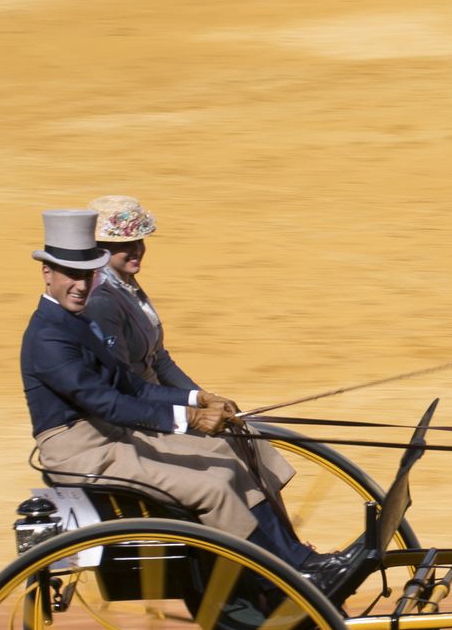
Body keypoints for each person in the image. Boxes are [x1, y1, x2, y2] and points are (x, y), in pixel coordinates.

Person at [20, 208, 324, 577]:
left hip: (112, 436)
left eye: (86, 275)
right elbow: (108, 402)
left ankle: (295, 560)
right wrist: (190, 418)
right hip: (84, 456)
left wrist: (197, 398)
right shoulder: (48, 337)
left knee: (227, 456)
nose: (81, 285)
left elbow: (131, 384)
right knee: (210, 487)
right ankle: (278, 582)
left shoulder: (77, 322)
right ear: (47, 272)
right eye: (71, 275)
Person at [81, 195, 295, 495]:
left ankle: (278, 536)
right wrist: (191, 408)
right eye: (123, 245)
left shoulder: (126, 286)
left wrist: (204, 397)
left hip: (158, 398)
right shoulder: (103, 299)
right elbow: (127, 386)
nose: (136, 250)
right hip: (141, 414)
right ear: (100, 250)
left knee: (242, 433)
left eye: (139, 241)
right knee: (226, 452)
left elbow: (159, 359)